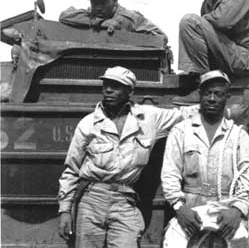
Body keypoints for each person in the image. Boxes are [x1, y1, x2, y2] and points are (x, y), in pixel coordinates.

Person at [57, 66, 197, 248]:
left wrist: (227, 111)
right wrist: (65, 210)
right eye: (106, 85)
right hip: (92, 199)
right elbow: (71, 170)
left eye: (115, 86)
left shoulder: (148, 118)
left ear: (130, 91)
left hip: (125, 200)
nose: (108, 90)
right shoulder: (88, 124)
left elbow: (184, 114)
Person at [161, 70, 249, 248]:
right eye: (208, 93)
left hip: (226, 210)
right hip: (190, 210)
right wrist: (179, 208)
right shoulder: (181, 131)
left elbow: (247, 180)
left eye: (218, 94)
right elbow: (170, 173)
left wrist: (237, 211)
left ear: (227, 97)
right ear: (200, 95)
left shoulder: (238, 135)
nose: (212, 99)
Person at [59, 0, 167, 42]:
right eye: (94, 2)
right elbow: (64, 16)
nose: (98, 8)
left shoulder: (130, 19)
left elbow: (162, 38)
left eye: (103, 2)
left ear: (115, 0)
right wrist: (100, 23)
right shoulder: (89, 13)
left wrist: (128, 37)